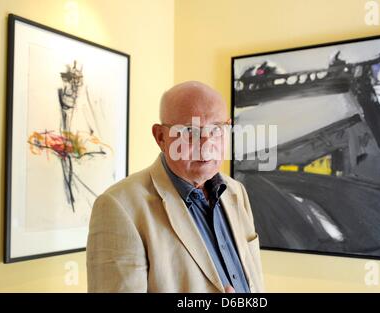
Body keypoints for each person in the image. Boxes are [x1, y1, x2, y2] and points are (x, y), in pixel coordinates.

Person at [86, 81, 264, 292]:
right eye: (190, 131)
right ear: (161, 137)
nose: (206, 144)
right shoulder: (119, 207)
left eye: (216, 129)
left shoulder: (236, 191)